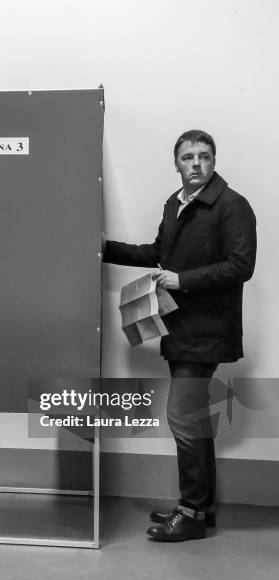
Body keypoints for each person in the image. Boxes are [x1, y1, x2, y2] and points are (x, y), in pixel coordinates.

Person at [103, 129, 257, 541]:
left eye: (203, 157)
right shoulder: (176, 204)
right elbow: (157, 253)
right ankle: (199, 509)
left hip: (207, 331)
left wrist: (181, 280)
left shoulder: (231, 205)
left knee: (182, 419)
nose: (196, 164)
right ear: (177, 163)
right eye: (188, 157)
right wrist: (103, 248)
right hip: (180, 327)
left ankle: (190, 512)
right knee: (193, 421)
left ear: (213, 161)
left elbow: (241, 266)